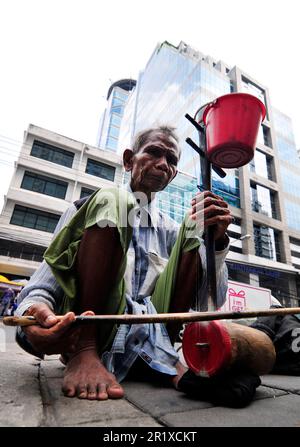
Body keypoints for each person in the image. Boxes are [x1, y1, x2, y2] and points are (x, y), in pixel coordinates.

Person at [16, 125, 233, 401]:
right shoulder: (85, 207)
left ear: (174, 174)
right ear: (129, 160)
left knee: (193, 225)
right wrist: (35, 320)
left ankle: (160, 355)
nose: (163, 164)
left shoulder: (171, 230)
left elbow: (210, 301)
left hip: (157, 331)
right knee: (114, 198)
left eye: (172, 160)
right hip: (96, 328)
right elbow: (40, 287)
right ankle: (86, 350)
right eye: (154, 152)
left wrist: (217, 242)